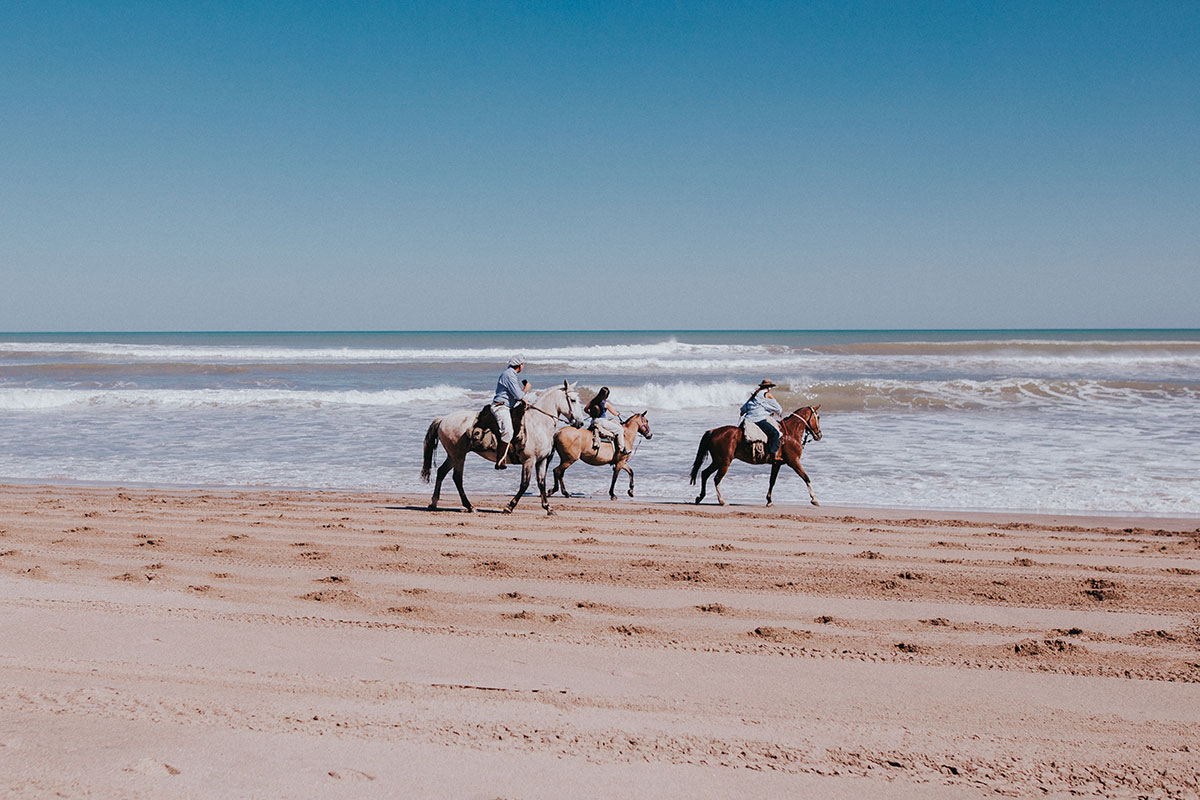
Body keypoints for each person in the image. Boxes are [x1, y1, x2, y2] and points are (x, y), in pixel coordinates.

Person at [492, 355, 529, 470]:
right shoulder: (509, 375)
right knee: (508, 431)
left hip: (507, 406)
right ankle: (500, 460)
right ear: (520, 365)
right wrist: (526, 389)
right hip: (501, 407)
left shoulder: (511, 374)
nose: (523, 366)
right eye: (523, 364)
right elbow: (518, 395)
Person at [740, 379, 784, 461]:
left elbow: (743, 408)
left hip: (748, 419)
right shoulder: (767, 394)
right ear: (769, 388)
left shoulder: (754, 394)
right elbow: (778, 409)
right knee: (775, 433)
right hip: (758, 419)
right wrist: (775, 411)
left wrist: (743, 412)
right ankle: (773, 455)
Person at [585, 387, 628, 457]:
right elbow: (614, 413)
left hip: (593, 421)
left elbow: (585, 409)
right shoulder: (605, 403)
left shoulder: (593, 401)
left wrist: (591, 414)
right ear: (607, 395)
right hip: (601, 421)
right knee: (620, 430)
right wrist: (618, 413)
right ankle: (622, 450)